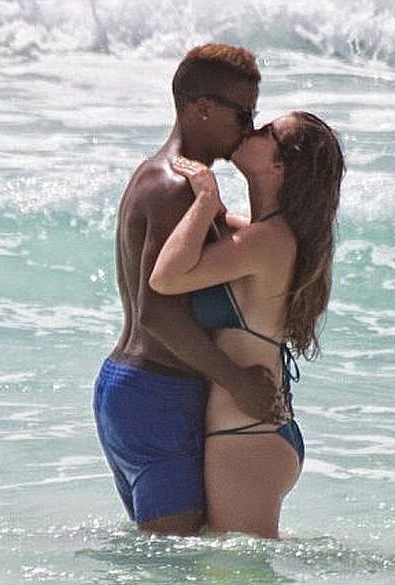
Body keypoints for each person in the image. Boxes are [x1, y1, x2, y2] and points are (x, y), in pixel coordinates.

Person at [93, 44, 280, 536]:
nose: (249, 129)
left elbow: (250, 242)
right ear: (202, 109)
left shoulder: (169, 177)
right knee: (173, 565)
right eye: (243, 115)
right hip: (157, 393)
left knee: (169, 557)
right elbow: (157, 312)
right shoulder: (176, 187)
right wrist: (238, 382)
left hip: (138, 389)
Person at [150, 111, 345, 538]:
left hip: (246, 437)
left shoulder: (266, 241)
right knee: (234, 570)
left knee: (239, 575)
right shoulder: (268, 235)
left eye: (266, 132)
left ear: (280, 166)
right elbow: (221, 227)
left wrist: (205, 198)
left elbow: (165, 278)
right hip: (255, 432)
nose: (249, 130)